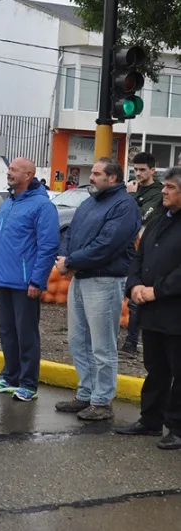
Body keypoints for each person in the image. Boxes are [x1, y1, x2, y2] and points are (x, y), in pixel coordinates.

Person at [54, 158, 140, 420]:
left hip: (104, 281)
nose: (90, 177)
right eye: (91, 173)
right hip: (80, 278)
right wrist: (63, 259)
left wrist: (70, 262)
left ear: (112, 178)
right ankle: (86, 393)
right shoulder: (89, 202)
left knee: (102, 346)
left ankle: (102, 401)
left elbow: (107, 244)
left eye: (96, 173)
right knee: (78, 341)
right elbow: (69, 235)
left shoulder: (124, 205)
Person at [0, 158, 60, 401]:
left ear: (29, 174)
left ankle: (28, 383)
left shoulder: (42, 206)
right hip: (3, 279)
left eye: (14, 170)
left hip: (25, 283)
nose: (9, 172)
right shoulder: (8, 204)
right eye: (9, 169)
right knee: (6, 332)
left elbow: (48, 246)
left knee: (26, 334)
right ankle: (10, 377)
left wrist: (37, 281)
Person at [116, 167, 181, 449]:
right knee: (155, 367)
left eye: (170, 187)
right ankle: (150, 419)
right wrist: (134, 285)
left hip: (175, 311)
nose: (163, 191)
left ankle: (177, 427)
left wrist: (158, 290)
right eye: (164, 187)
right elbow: (138, 255)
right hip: (151, 310)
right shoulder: (158, 218)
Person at [121, 151, 164, 355]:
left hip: (145, 251)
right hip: (125, 249)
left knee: (136, 299)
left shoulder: (158, 193)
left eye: (142, 170)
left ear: (152, 170)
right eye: (135, 170)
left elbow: (139, 217)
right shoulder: (133, 188)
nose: (137, 174)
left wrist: (130, 197)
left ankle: (131, 344)